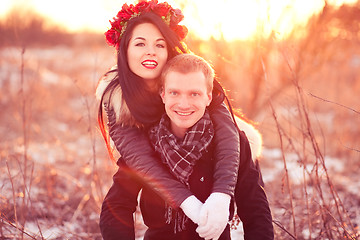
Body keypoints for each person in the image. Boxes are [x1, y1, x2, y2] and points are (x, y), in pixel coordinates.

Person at [96, 0, 273, 239]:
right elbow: (117, 204)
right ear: (163, 94)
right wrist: (189, 204)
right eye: (175, 93)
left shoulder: (227, 138)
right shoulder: (146, 136)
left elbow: (255, 208)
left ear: (208, 96)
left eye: (194, 94)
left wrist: (222, 195)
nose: (184, 104)